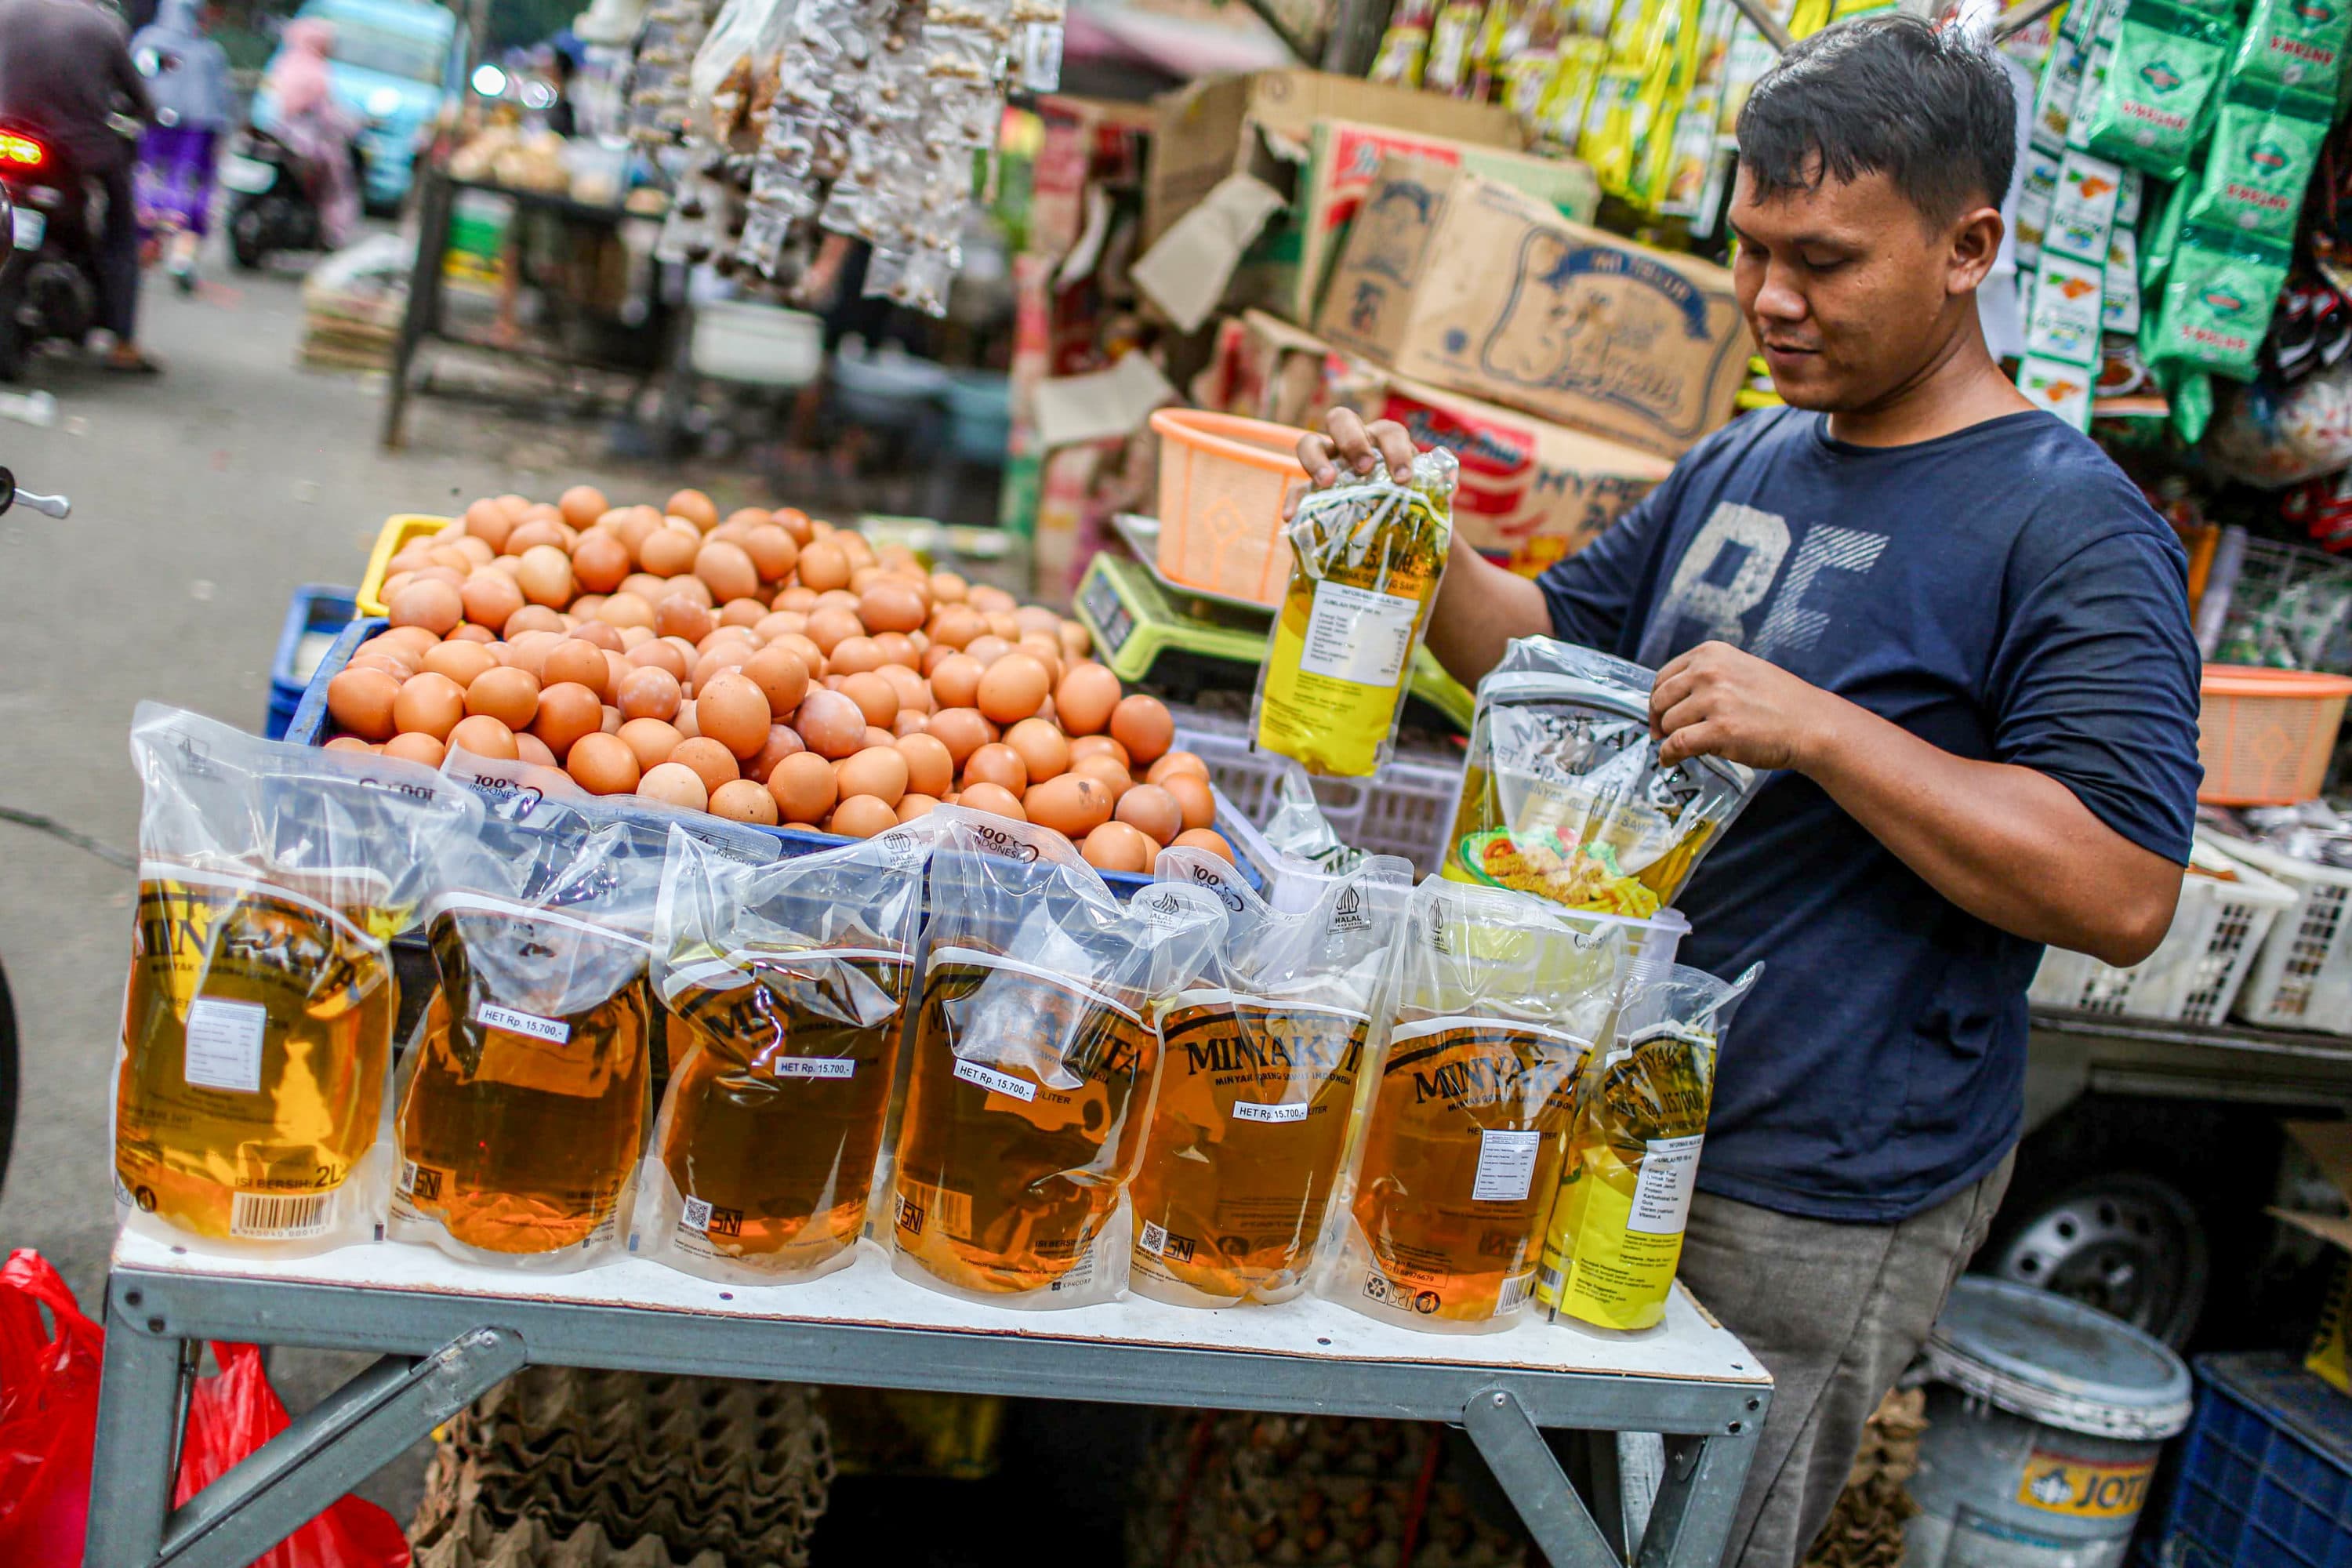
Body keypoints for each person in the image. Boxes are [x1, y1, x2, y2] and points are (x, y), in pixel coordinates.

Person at [1294, 16, 2201, 1567]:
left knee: (1689, 1545)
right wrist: (1411, 542)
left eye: (1826, 260)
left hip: (1816, 1181)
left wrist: (1831, 733)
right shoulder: (1749, 460)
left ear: (1971, 244)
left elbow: (2121, 887)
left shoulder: (2070, 528)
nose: (1772, 299)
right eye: (1752, 251)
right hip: (1606, 1112)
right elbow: (1538, 654)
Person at [0, 0, 159, 370]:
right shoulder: (104, 25)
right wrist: (144, 115)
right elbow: (140, 100)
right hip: (76, 150)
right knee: (120, 229)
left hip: (6, 135)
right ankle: (123, 343)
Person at [129, 0, 232, 292]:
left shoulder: (147, 41)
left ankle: (146, 250)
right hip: (195, 134)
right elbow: (220, 103)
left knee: (147, 188)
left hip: (154, 128)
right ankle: (180, 258)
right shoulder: (210, 53)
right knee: (189, 193)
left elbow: (134, 80)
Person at [264, 17, 358, 250]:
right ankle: (332, 231)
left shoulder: (283, 64)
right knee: (338, 182)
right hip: (308, 143)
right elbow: (328, 112)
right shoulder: (318, 71)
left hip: (276, 135)